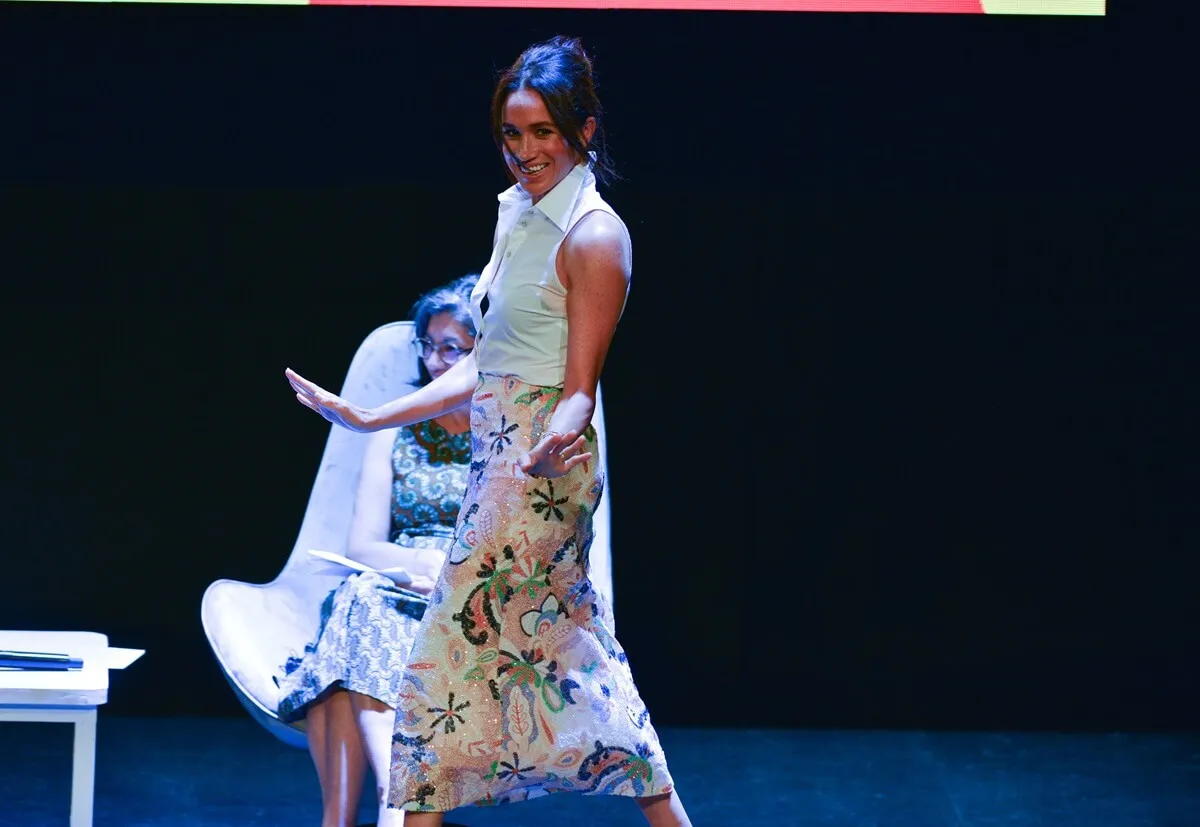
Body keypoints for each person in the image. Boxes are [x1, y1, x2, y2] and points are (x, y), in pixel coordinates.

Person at [286, 37, 693, 827]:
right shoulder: (519, 216)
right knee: (570, 658)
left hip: (540, 479)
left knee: (438, 670)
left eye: (544, 132)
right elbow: (490, 364)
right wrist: (370, 413)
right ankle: (664, 810)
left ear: (585, 130)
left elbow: (578, 389)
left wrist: (555, 438)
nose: (525, 151)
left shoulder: (593, 235)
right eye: (513, 133)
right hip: (498, 466)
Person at [276, 274, 479, 827]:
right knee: (362, 600)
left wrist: (450, 573)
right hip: (399, 581)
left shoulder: (501, 432)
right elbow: (362, 544)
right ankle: (397, 803)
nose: (437, 360)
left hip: (472, 591)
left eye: (452, 348)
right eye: (428, 346)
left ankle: (384, 807)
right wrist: (415, 566)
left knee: (345, 645)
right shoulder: (399, 426)